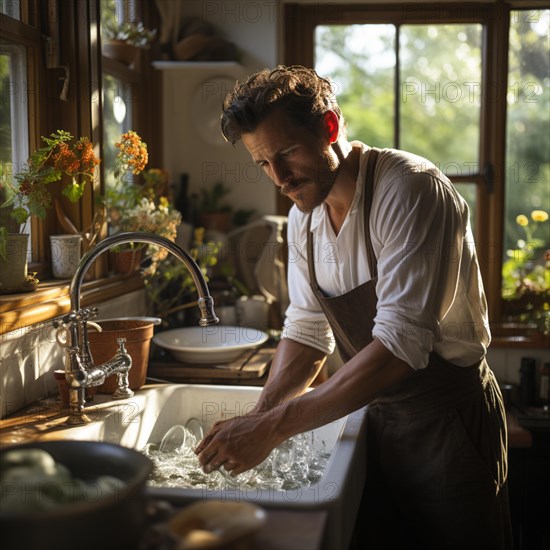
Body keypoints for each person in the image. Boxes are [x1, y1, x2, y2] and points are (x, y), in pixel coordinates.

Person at [195, 65, 512, 549]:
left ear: (329, 127)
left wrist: (272, 428)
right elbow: (305, 333)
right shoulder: (304, 220)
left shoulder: (409, 189)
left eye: (286, 154)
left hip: (448, 425)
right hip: (375, 419)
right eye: (263, 163)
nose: (279, 177)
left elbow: (400, 345)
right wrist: (258, 415)